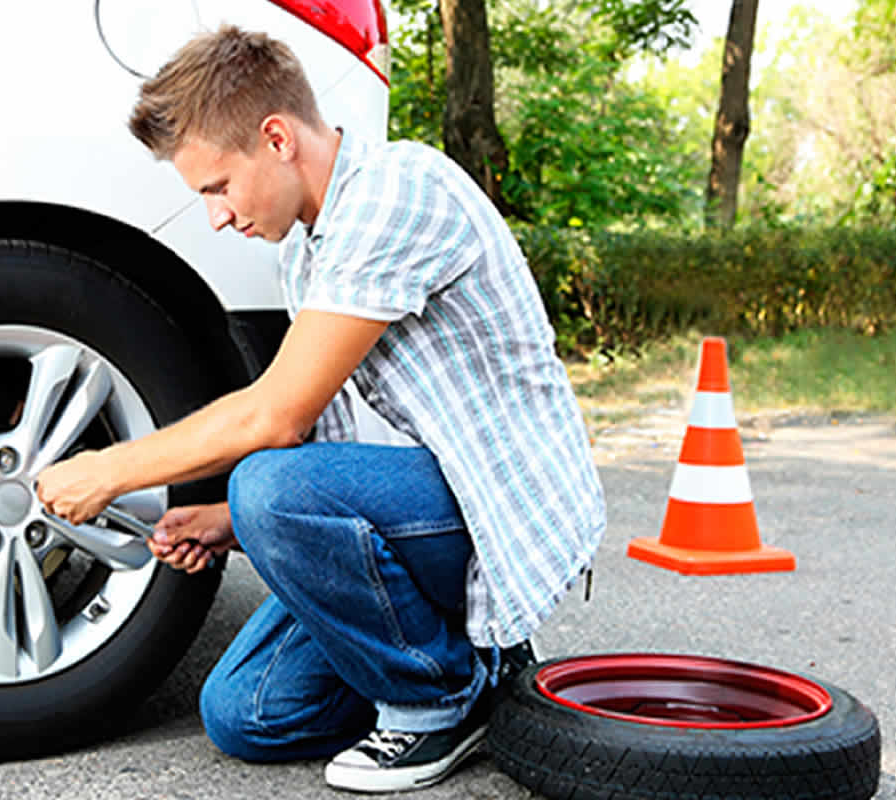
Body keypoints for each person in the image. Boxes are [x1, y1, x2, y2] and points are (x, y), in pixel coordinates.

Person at [34, 25, 606, 793]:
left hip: (498, 504)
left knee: (265, 483)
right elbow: (318, 445)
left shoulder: (397, 193)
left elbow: (275, 420)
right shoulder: (308, 250)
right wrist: (228, 525)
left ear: (276, 138)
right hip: (433, 499)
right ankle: (477, 664)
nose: (217, 216)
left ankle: (441, 701)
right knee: (245, 713)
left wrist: (109, 470)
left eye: (217, 187)